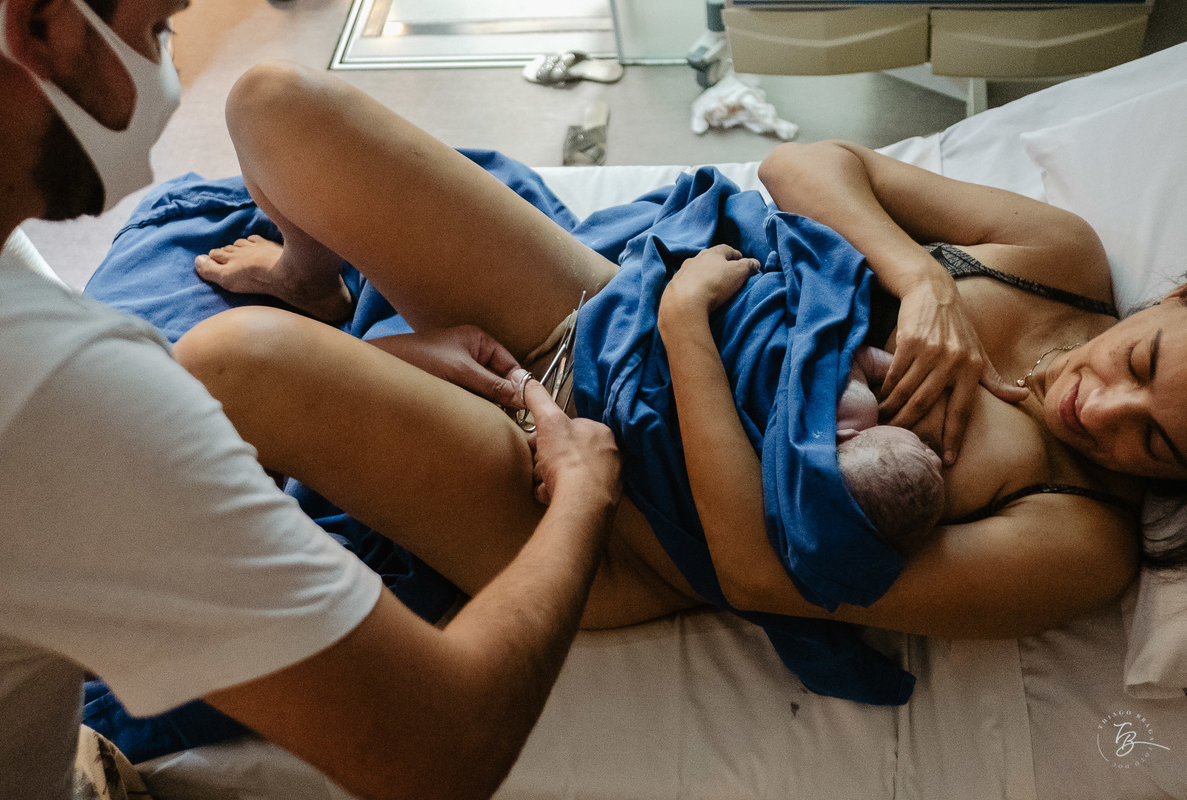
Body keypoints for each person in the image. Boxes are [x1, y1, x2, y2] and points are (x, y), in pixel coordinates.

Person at [177, 60, 1185, 670]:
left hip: (607, 509)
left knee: (231, 359)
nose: (1104, 406)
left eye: (1155, 437)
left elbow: (760, 573)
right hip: (599, 315)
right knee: (276, 102)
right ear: (1174, 299)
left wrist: (691, 330)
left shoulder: (1079, 538)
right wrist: (921, 282)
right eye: (1141, 359)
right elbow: (806, 167)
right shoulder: (1063, 261)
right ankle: (316, 283)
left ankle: (358, 351)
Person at [0, 2, 626, 799]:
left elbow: (58, 527)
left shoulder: (27, 328)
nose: (172, 58)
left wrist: (363, 366)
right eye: (156, 30)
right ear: (38, 28)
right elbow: (438, 745)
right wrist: (585, 501)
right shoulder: (51, 389)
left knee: (270, 127)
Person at [834, 344, 945, 555]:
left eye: (921, 448)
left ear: (851, 435)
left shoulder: (859, 409)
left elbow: (856, 356)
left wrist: (909, 375)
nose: (937, 459)